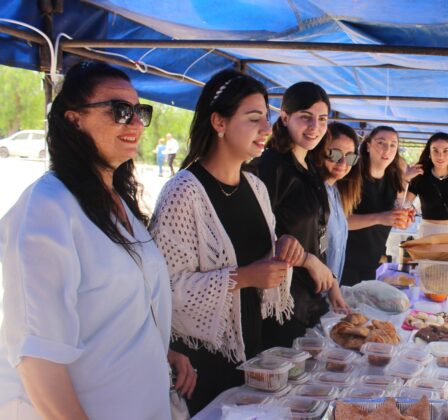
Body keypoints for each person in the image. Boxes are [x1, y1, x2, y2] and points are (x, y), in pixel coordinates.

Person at [0, 60, 195, 419]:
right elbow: (37, 357)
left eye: (140, 111)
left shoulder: (118, 203)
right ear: (75, 120)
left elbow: (114, 310)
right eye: (121, 111)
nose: (136, 122)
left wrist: (160, 351)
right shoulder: (47, 208)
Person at [149, 70, 304, 414]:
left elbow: (262, 257)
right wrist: (245, 276)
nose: (266, 128)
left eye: (267, 118)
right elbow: (164, 289)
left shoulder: (257, 188)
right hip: (201, 360)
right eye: (253, 119)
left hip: (251, 348)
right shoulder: (183, 192)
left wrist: (284, 246)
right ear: (218, 122)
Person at [251, 81, 346, 348]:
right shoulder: (270, 167)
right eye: (305, 117)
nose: (315, 127)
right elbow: (259, 235)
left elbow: (318, 233)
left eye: (322, 119)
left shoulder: (311, 167)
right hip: (281, 302)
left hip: (312, 298)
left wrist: (331, 280)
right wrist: (308, 262)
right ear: (284, 117)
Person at [342, 126, 415, 286]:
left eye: (393, 145)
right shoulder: (350, 175)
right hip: (345, 260)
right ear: (368, 146)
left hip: (374, 258)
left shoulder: (394, 179)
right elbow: (340, 221)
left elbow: (399, 207)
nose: (386, 149)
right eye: (380, 142)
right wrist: (380, 218)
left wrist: (405, 217)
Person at [311, 122, 362, 282]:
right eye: (335, 154)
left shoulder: (336, 193)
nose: (343, 163)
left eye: (350, 157)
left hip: (330, 292)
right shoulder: (312, 193)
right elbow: (319, 243)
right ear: (320, 151)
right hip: (312, 293)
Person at [404, 132, 448, 237]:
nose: (440, 155)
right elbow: (403, 204)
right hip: (427, 234)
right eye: (435, 150)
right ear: (429, 153)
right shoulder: (420, 175)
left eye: (445, 151)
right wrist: (406, 178)